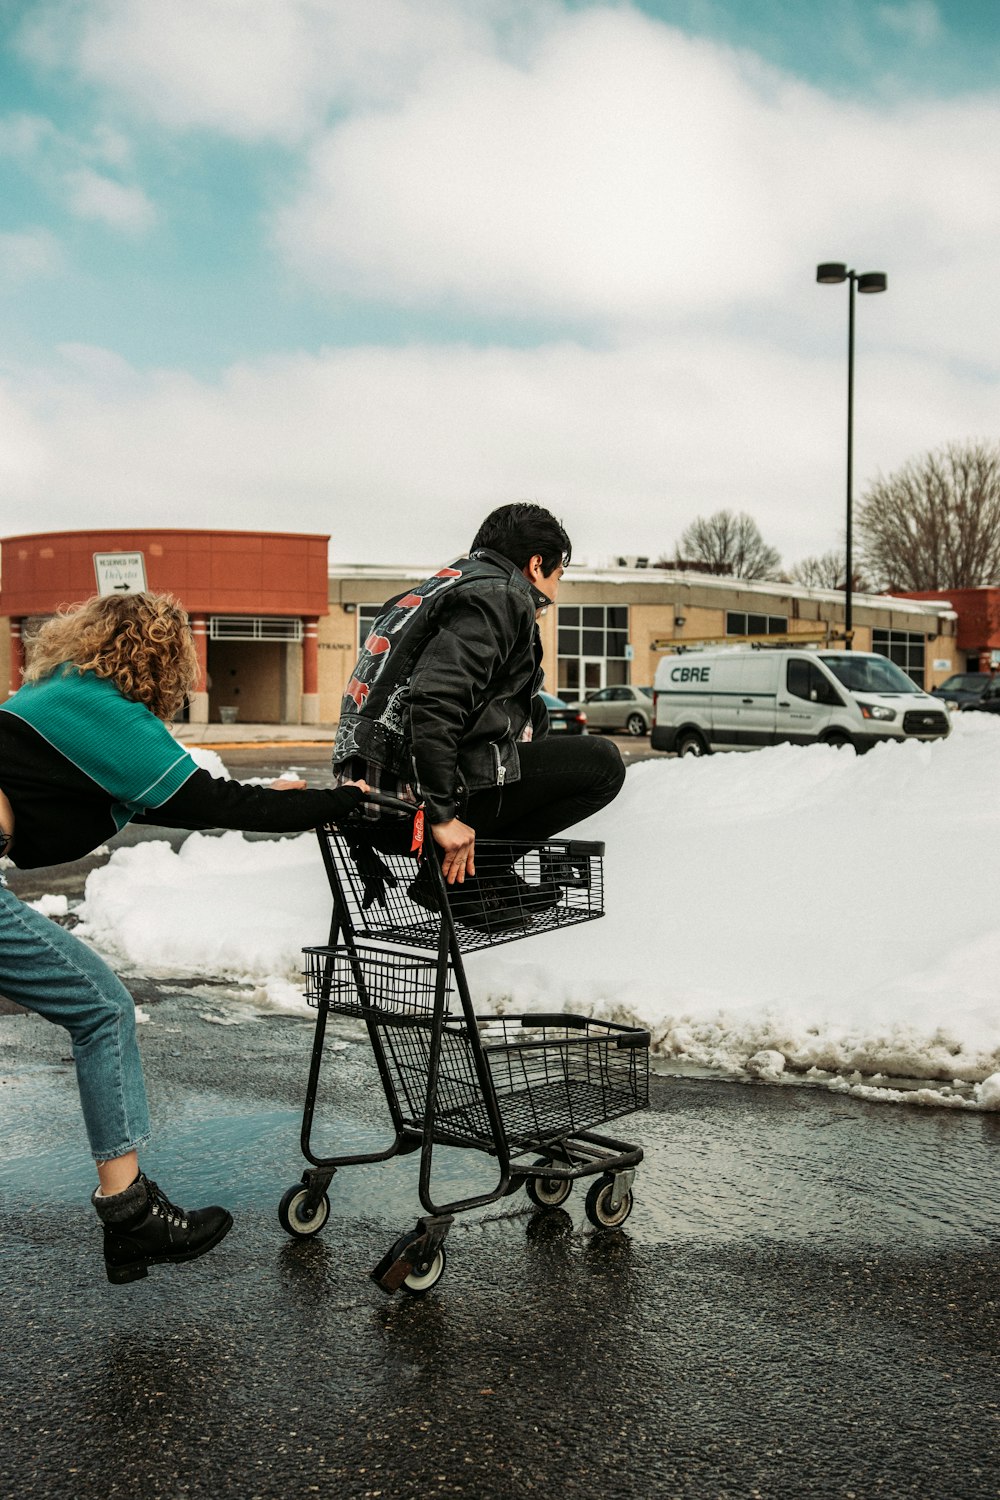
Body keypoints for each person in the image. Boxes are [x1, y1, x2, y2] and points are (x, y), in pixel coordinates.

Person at [0, 592, 367, 1285]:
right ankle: (131, 1216)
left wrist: (284, 793)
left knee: (95, 1008)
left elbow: (170, 795)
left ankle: (129, 1215)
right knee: (102, 1008)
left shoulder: (54, 695)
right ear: (160, 658)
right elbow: (207, 804)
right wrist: (338, 802)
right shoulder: (104, 711)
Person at [333, 502, 625, 929]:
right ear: (536, 563)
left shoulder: (432, 591)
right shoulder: (500, 594)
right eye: (559, 575)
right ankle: (464, 879)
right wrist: (443, 817)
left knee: (534, 709)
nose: (554, 593)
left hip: (369, 796)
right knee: (603, 765)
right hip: (408, 807)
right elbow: (434, 701)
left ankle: (482, 875)